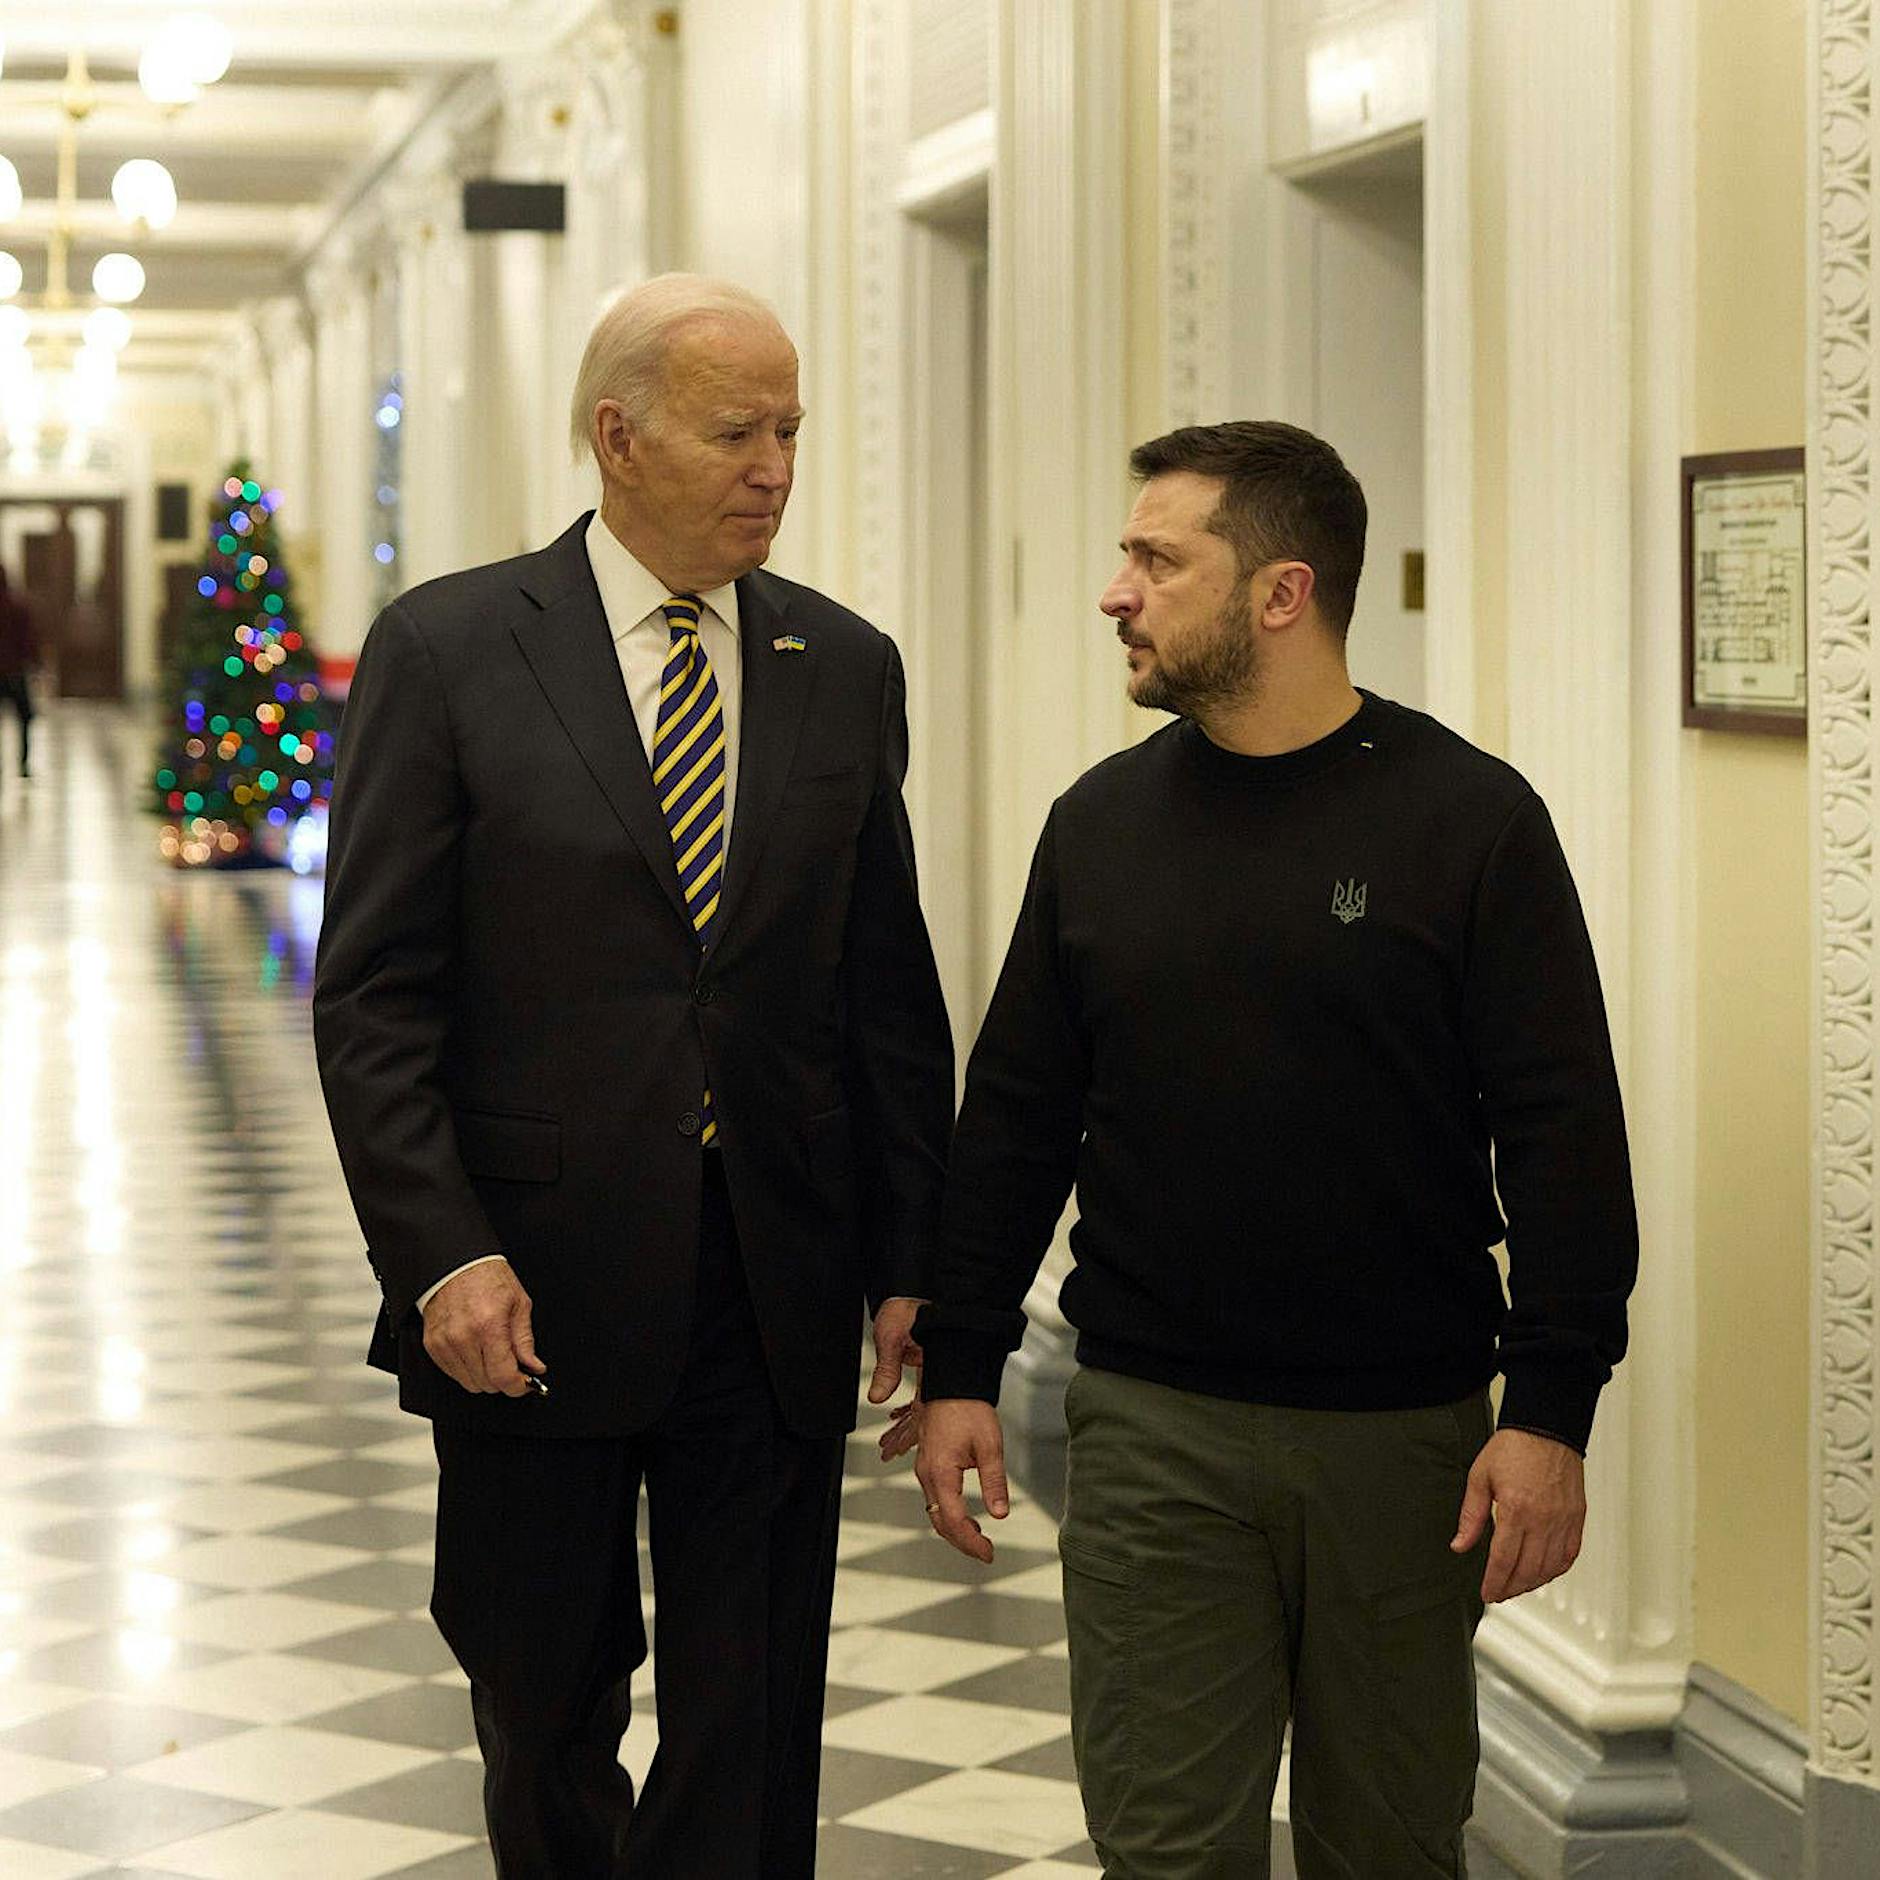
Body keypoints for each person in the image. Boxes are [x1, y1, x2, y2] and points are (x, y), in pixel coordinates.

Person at [907, 421, 1637, 1878]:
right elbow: (1016, 1117)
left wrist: (1551, 1411)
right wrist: (962, 1361)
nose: (1116, 589)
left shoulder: (1469, 821)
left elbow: (1563, 1130)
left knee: (1390, 1844)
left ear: (1280, 592)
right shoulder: (1098, 825)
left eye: (1157, 559)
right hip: (1151, 1429)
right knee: (1163, 1845)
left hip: (1406, 1443)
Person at [313, 273, 954, 1879]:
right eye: (736, 432)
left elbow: (883, 994)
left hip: (771, 1272)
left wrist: (911, 1258)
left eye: (791, 430)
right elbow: (376, 997)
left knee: (752, 1715)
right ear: (617, 436)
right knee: (543, 1702)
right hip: (528, 1286)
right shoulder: (451, 650)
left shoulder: (842, 662)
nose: (775, 468)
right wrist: (442, 1254)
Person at [0, 565, 40, 780]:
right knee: (24, 719)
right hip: (15, 673)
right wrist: (35, 664)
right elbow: (28, 640)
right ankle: (23, 763)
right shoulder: (17, 606)